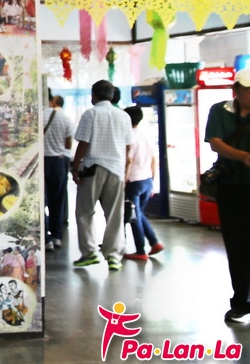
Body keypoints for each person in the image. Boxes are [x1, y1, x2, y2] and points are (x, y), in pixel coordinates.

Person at [204, 68, 250, 324]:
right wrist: (243, 157)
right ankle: (243, 303)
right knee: (238, 247)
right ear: (236, 90)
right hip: (232, 187)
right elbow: (215, 142)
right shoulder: (219, 111)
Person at [70, 79, 133, 271]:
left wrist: (75, 167)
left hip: (93, 168)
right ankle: (114, 256)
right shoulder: (124, 116)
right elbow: (128, 147)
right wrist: (125, 172)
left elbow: (84, 143)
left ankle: (89, 252)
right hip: (116, 169)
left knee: (85, 212)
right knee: (115, 214)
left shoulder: (91, 114)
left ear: (94, 95)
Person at [123, 105, 162, 261]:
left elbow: (129, 160)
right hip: (147, 180)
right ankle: (154, 242)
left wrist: (124, 180)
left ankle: (140, 251)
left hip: (134, 181)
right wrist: (153, 181)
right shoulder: (146, 135)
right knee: (138, 214)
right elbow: (154, 160)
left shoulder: (129, 137)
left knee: (134, 216)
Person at [43, 93, 75, 250]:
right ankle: (57, 236)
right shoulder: (64, 118)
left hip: (41, 163)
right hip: (58, 163)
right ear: (51, 100)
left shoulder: (37, 117)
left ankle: (45, 238)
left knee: (41, 202)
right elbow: (68, 145)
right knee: (57, 201)